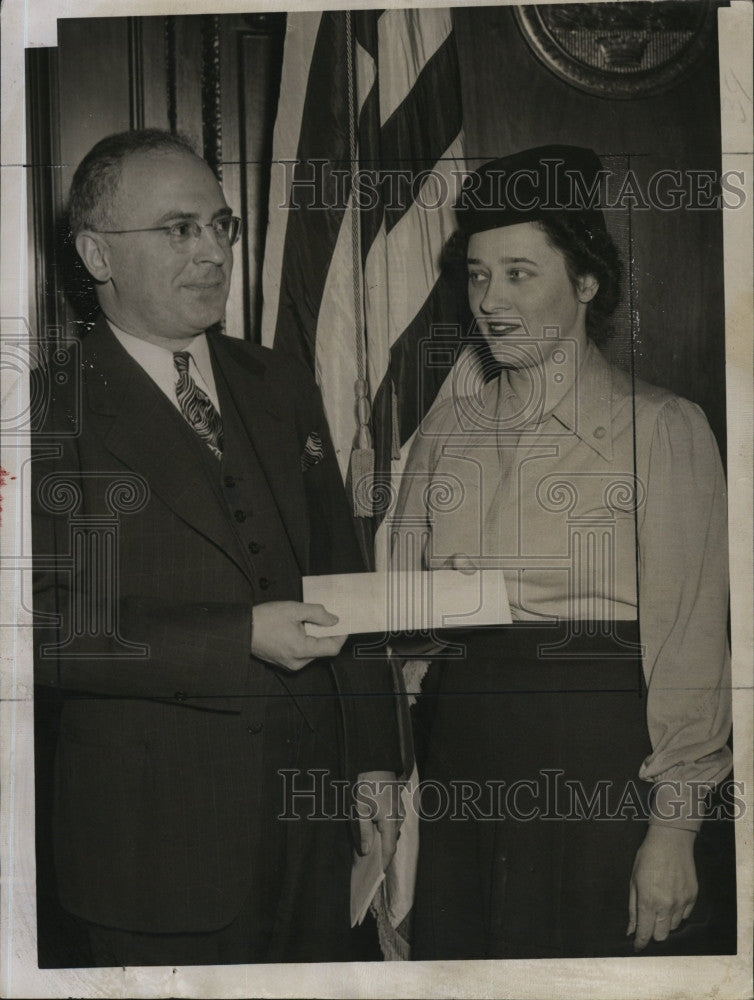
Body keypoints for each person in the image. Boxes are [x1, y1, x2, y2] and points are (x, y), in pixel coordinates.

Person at [32, 128, 402, 966]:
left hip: (314, 835)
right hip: (154, 853)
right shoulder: (47, 411)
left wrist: (375, 762)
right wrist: (236, 637)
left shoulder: (277, 381)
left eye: (221, 225)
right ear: (97, 254)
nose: (212, 252)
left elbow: (345, 574)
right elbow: (35, 627)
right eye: (177, 229)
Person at [393, 145, 732, 959]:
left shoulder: (663, 429)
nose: (490, 302)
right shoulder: (446, 429)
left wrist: (675, 829)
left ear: (586, 284)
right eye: (477, 275)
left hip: (603, 761)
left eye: (520, 274)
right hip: (462, 753)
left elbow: (694, 647)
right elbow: (402, 617)